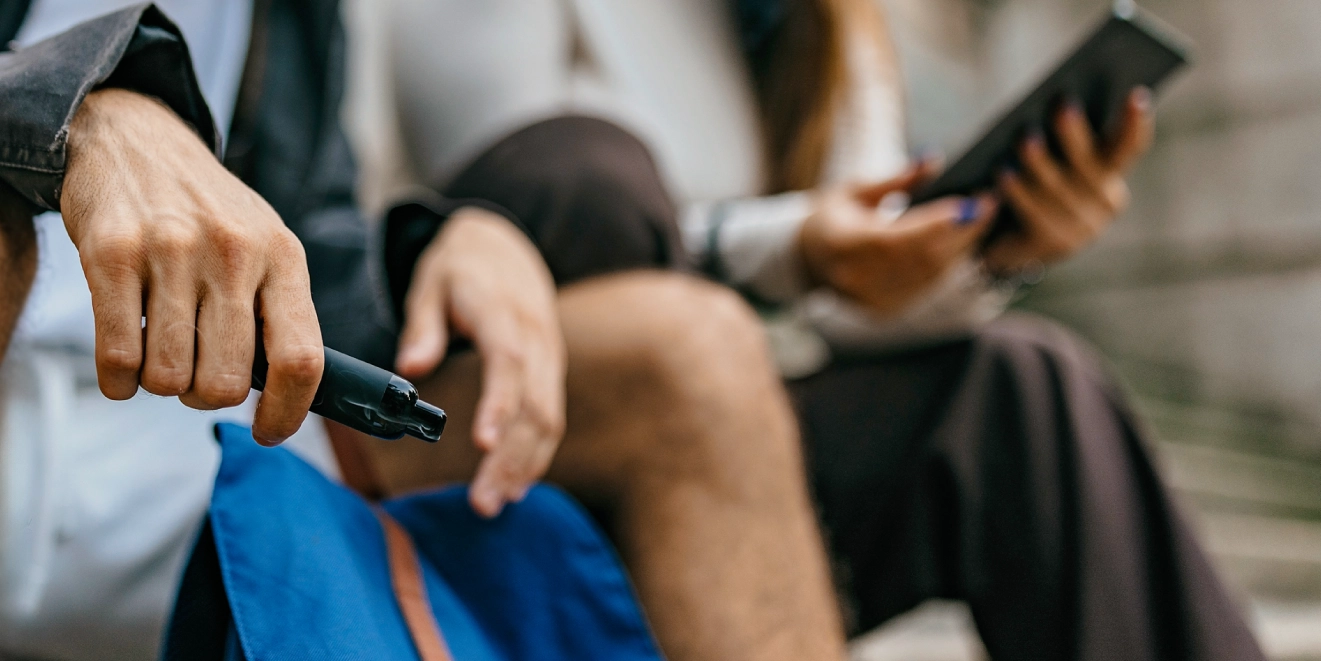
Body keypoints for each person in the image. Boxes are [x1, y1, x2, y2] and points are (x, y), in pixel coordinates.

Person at [361, 0, 1269, 659]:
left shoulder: (825, 27)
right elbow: (541, 215)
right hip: (499, 430)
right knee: (592, 178)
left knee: (1022, 389)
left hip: (729, 443)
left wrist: (988, 246)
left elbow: (852, 303)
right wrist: (792, 248)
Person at [0, 2, 849, 660]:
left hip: (200, 426)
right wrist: (83, 114)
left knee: (688, 356)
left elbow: (308, 225)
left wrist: (440, 241)